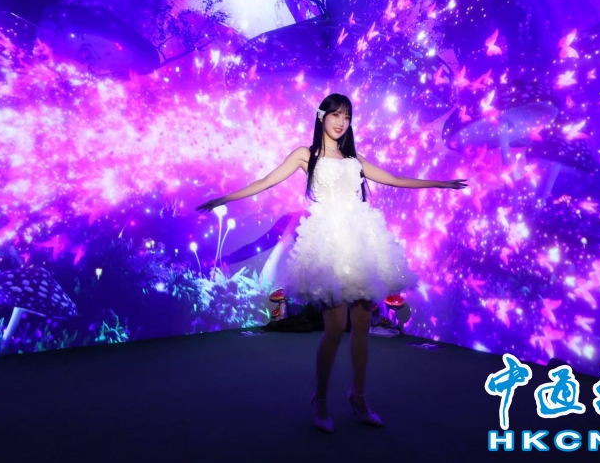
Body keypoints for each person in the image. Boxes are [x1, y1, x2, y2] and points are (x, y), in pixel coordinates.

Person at [197, 93, 467, 433]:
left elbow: (395, 178)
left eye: (347, 116)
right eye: (336, 114)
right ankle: (321, 399)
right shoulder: (305, 155)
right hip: (326, 242)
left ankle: (359, 397)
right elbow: (264, 182)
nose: (342, 122)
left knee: (362, 323)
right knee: (336, 326)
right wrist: (224, 198)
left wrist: (439, 183)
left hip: (359, 239)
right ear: (321, 116)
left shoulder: (354, 159)